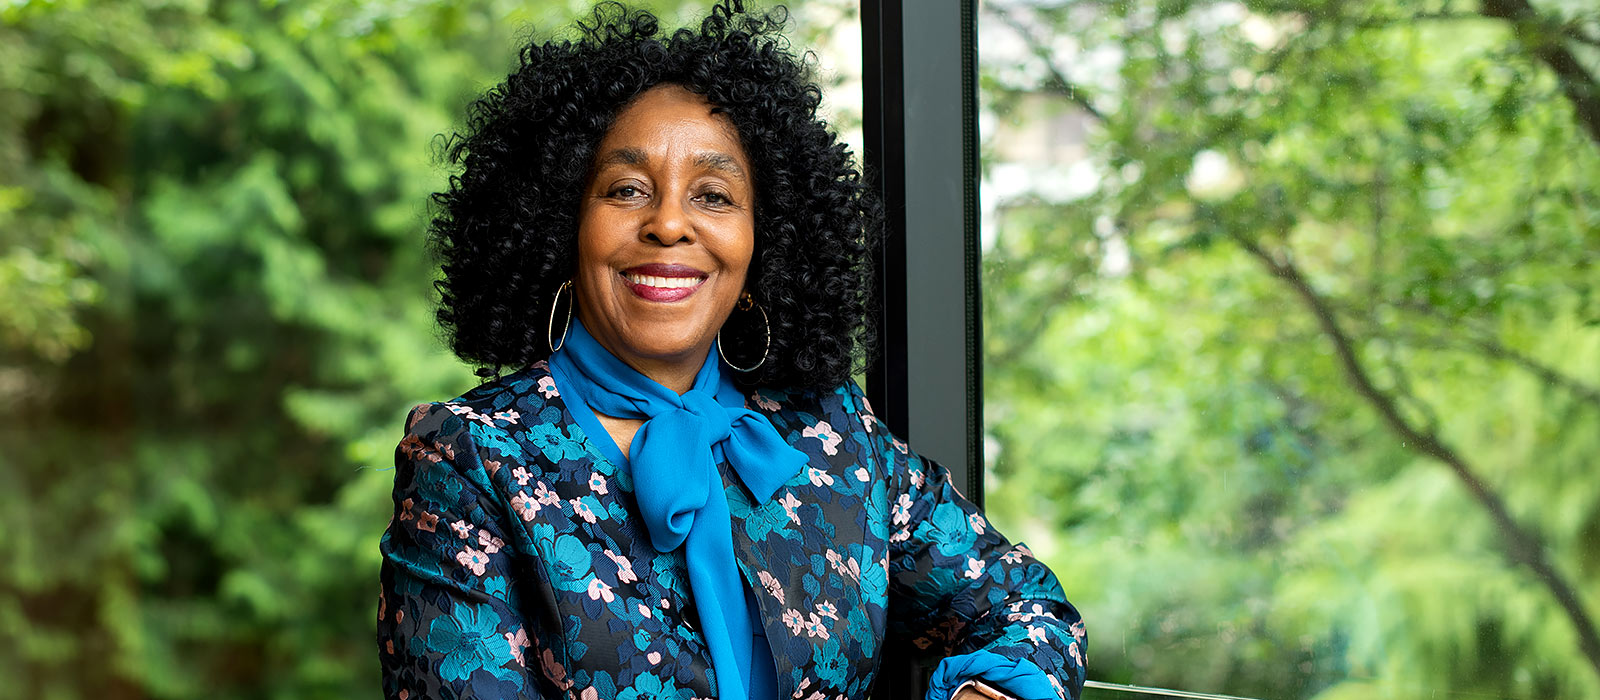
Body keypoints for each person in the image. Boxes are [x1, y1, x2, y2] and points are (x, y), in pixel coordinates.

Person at [376, 3, 1086, 699]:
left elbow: (1026, 608)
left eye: (714, 195)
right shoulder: (470, 459)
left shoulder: (831, 433)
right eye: (627, 189)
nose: (669, 223)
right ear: (562, 223)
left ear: (763, 245)